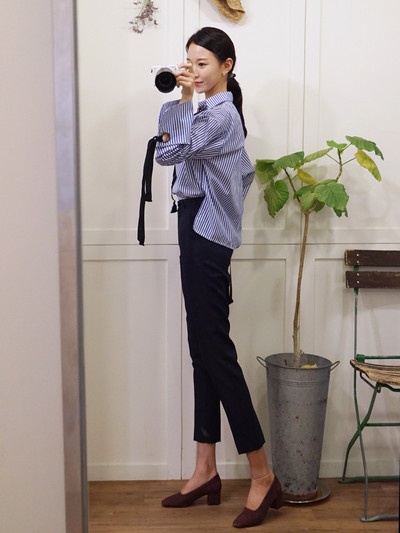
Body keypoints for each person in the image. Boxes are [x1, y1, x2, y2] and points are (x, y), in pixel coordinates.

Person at [155, 27, 282, 529]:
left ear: (227, 65)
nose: (195, 70)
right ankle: (206, 469)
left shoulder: (222, 115)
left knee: (216, 351)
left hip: (207, 231)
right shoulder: (203, 109)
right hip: (192, 223)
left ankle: (262, 474)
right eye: (189, 61)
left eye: (203, 63)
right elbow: (171, 148)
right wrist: (186, 100)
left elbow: (170, 152)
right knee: (201, 350)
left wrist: (187, 101)